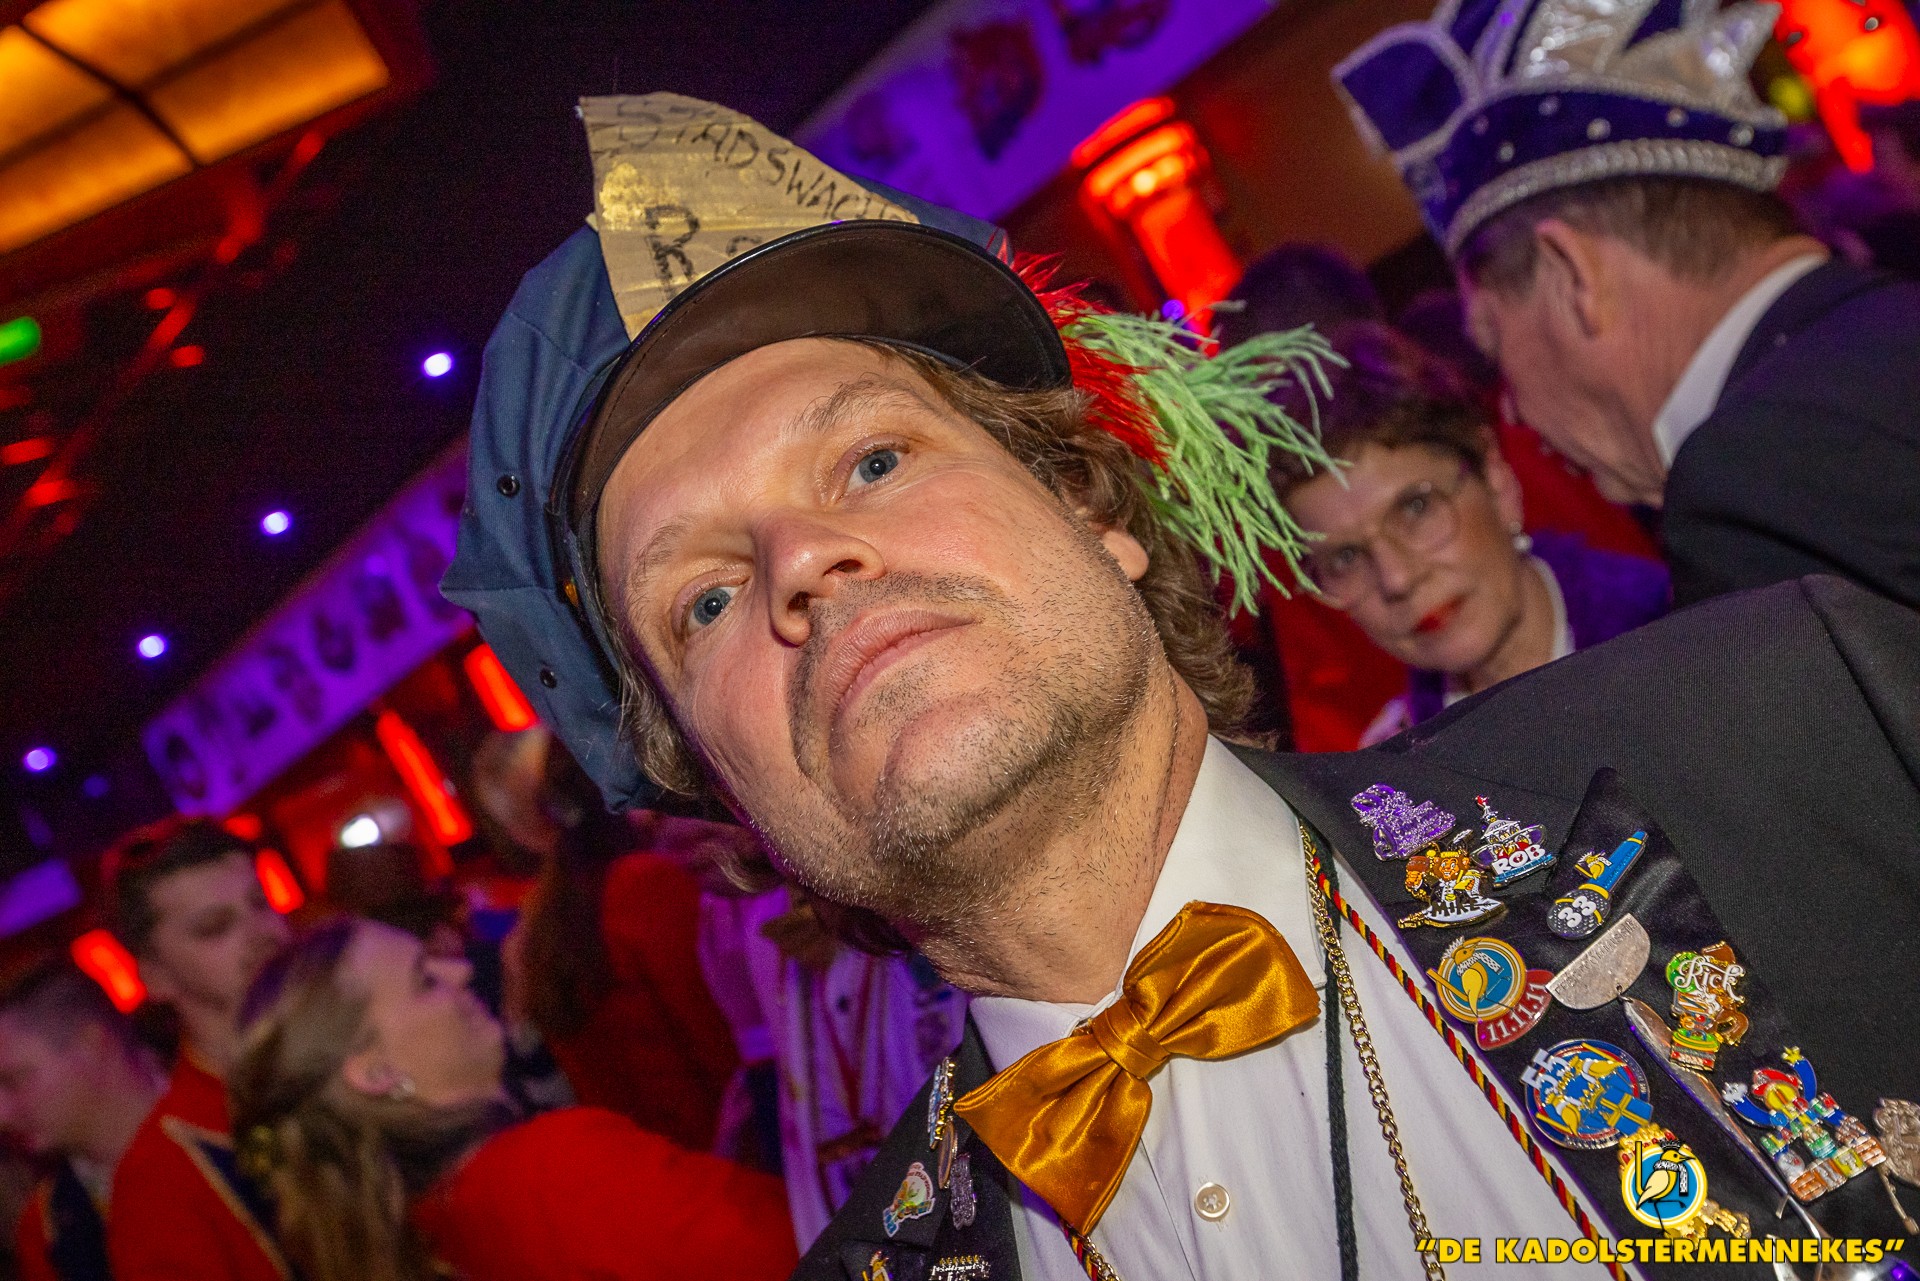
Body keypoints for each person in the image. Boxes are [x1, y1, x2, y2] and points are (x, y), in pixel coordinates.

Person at [444, 92, 1919, 1279]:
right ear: (716, 786)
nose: (804, 560)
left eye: (875, 459)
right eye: (704, 599)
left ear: (1092, 509)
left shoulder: (1799, 724)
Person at [1336, 0, 1920, 609]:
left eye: (1494, 341)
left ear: (1573, 275)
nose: (1513, 411)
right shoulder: (1887, 318)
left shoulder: (1749, 490)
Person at [227, 916, 796, 1281]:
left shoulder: (426, 1225)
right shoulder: (546, 1172)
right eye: (424, 980)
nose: (460, 972)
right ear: (377, 1072)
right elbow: (802, 1249)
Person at [1276, 323, 1668, 744]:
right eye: (1346, 557)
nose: (1396, 580)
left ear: (1497, 482)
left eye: (1415, 507)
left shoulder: (1677, 641)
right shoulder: (1394, 767)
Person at [472, 726, 740, 1150]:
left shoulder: (534, 936)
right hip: (726, 1153)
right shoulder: (641, 887)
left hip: (657, 1168)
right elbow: (723, 1049)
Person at [101, 819, 292, 1281]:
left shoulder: (364, 1047)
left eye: (260, 903)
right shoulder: (159, 1182)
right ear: (155, 976)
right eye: (214, 928)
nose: (262, 932)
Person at [0, 958, 164, 1281]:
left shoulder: (224, 1122)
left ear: (91, 1045)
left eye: (17, 1080)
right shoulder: (47, 1230)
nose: (3, 1115)